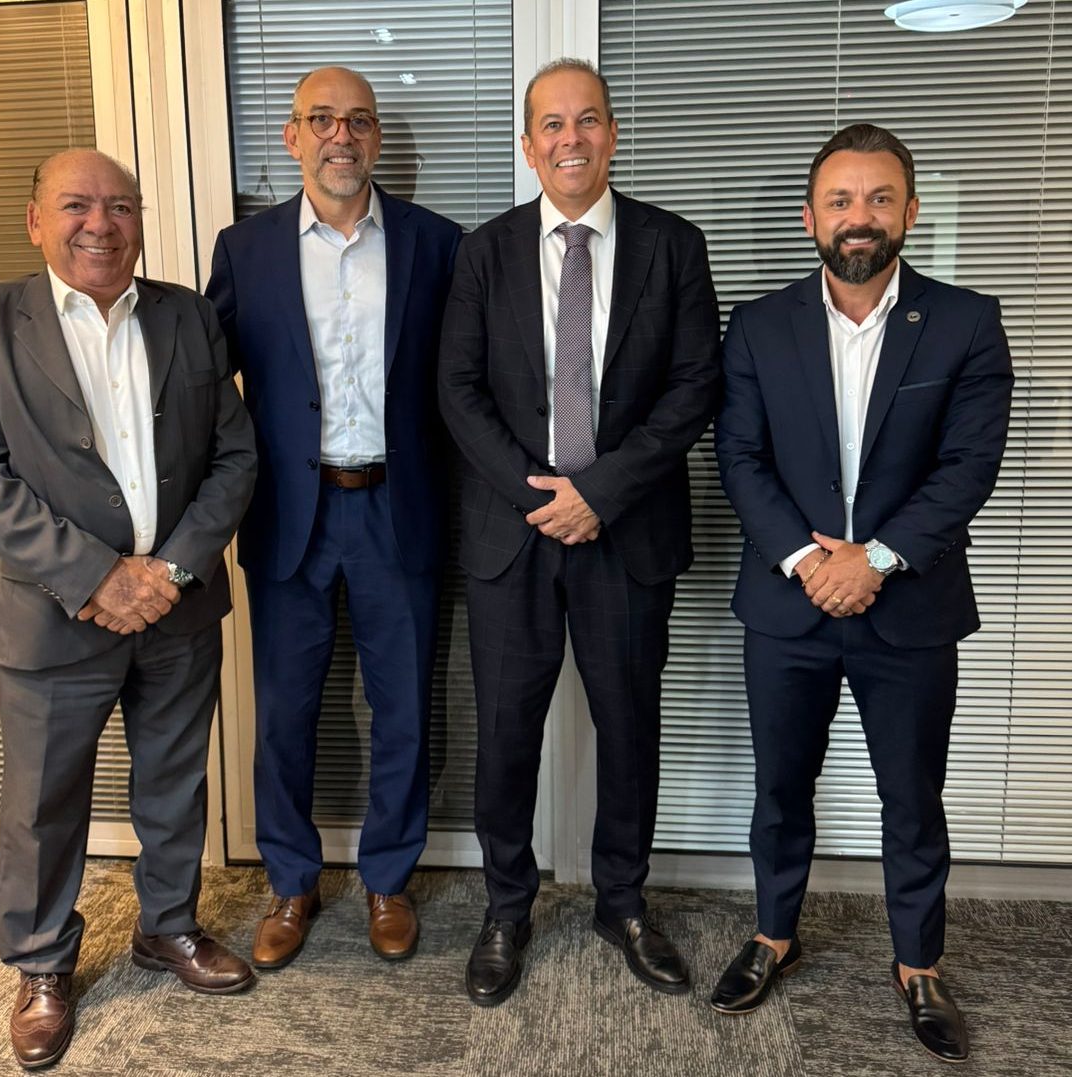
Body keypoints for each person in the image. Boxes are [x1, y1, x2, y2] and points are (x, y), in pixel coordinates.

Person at [0, 149, 259, 1070]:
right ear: (35, 220)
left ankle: (168, 925)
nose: (101, 223)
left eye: (120, 205)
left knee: (175, 782)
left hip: (177, 608)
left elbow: (235, 456)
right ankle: (42, 962)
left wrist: (173, 571)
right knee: (43, 801)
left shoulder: (189, 316)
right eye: (77, 204)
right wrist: (99, 577)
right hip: (56, 617)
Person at [710, 124, 1012, 1064]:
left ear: (910, 212)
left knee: (912, 797)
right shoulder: (758, 326)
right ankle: (774, 934)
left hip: (910, 607)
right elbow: (740, 457)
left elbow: (968, 468)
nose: (860, 217)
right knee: (779, 789)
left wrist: (872, 560)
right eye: (840, 200)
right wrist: (812, 561)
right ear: (811, 218)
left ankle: (919, 962)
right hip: (788, 605)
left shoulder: (965, 322)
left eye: (880, 198)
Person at [438, 58, 720, 1006]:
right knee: (507, 731)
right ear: (528, 145)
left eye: (587, 120)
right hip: (512, 535)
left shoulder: (673, 246)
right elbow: (458, 390)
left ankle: (623, 902)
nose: (571, 139)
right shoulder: (484, 252)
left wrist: (598, 492)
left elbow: (695, 387)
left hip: (628, 532)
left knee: (628, 727)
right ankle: (506, 906)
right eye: (552, 125)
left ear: (612, 134)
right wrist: (544, 498)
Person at [206, 66, 463, 968]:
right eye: (321, 120)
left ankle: (388, 878)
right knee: (284, 712)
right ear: (292, 137)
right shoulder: (245, 251)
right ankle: (291, 880)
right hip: (289, 513)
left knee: (405, 709)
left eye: (357, 121)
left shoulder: (438, 244)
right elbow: (204, 385)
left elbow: (466, 381)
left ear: (377, 137)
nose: (339, 137)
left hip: (402, 507)